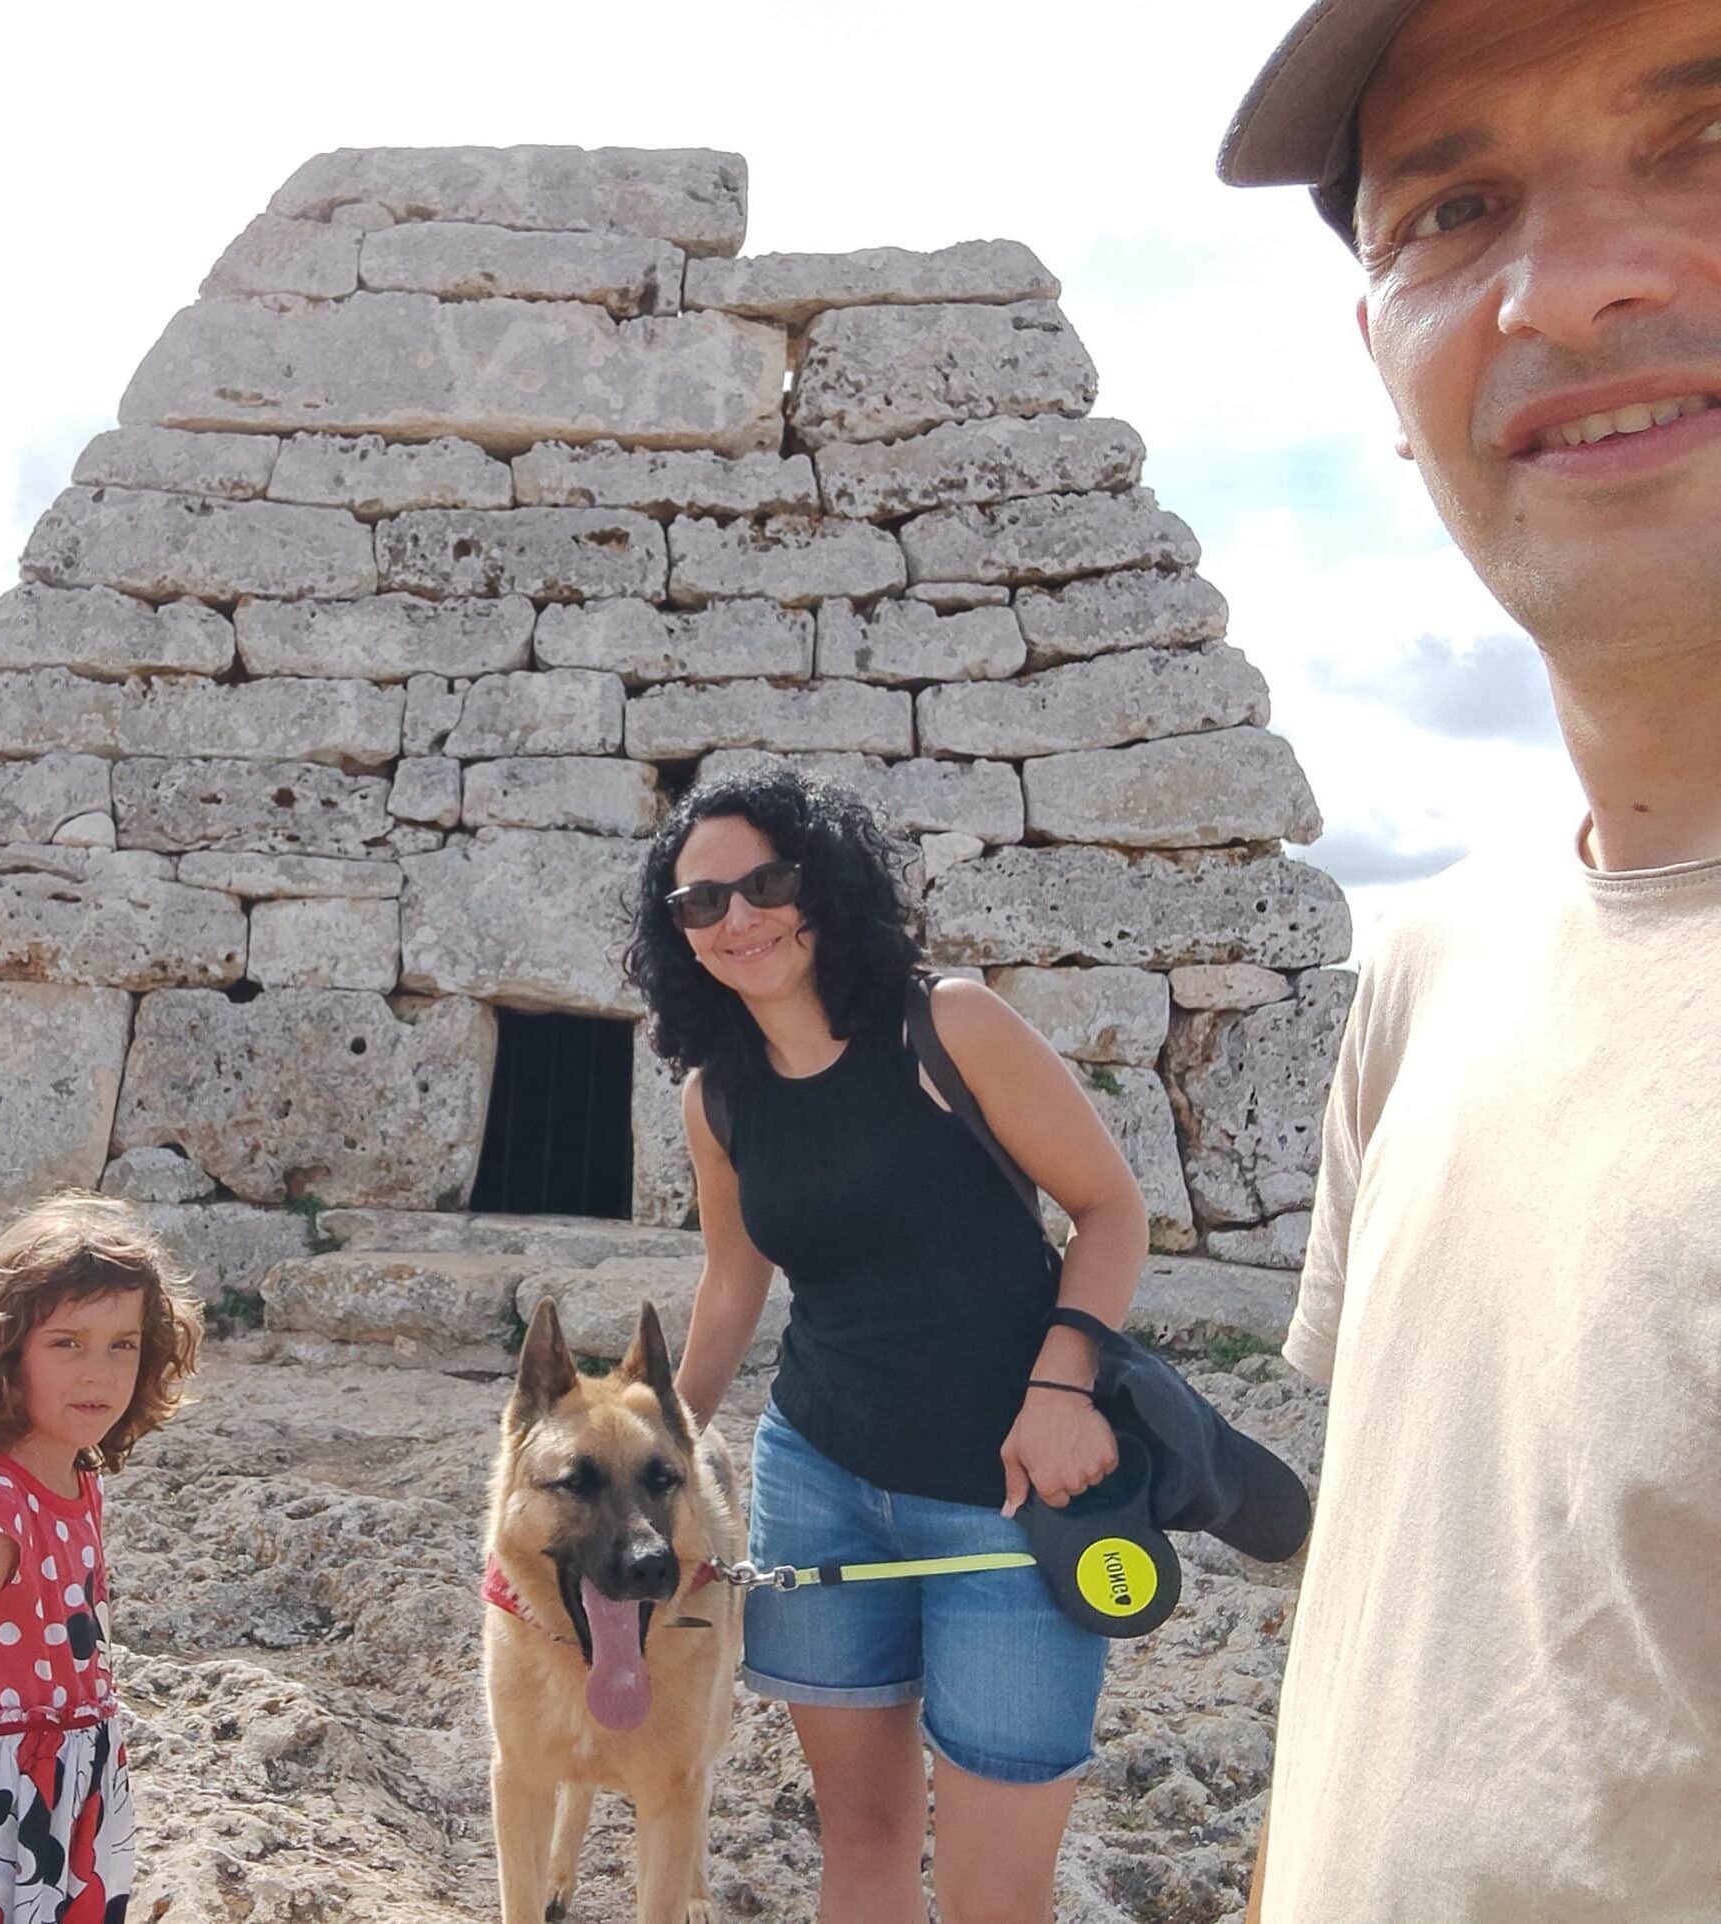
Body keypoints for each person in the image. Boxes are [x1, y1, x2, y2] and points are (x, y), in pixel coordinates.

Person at [1218, 2, 1721, 1918]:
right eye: (1454, 207)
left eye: (1710, 131)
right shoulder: (1431, 968)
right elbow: (1392, 1628)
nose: (1572, 290)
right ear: (1381, 346)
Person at [623, 767, 1153, 1924]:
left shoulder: (946, 1025)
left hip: (1010, 1497)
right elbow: (730, 1285)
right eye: (699, 904)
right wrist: (643, 1466)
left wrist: (1062, 1388)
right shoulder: (715, 1099)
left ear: (822, 883)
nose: (737, 918)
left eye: (763, 882)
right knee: (858, 1846)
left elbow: (1110, 1211)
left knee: (992, 1894)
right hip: (818, 1485)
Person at [0, 1193, 201, 1924]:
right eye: (67, 1342)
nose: (98, 1372)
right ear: (4, 1351)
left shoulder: (75, 1477)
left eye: (122, 1343)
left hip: (70, 1812)